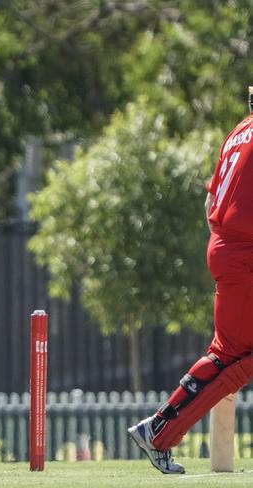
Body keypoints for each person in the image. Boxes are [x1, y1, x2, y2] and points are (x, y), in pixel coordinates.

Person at [128, 88, 253, 474]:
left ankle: (159, 431)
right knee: (233, 356)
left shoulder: (239, 131)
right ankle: (158, 430)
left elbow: (210, 200)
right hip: (242, 252)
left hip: (229, 247)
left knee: (233, 355)